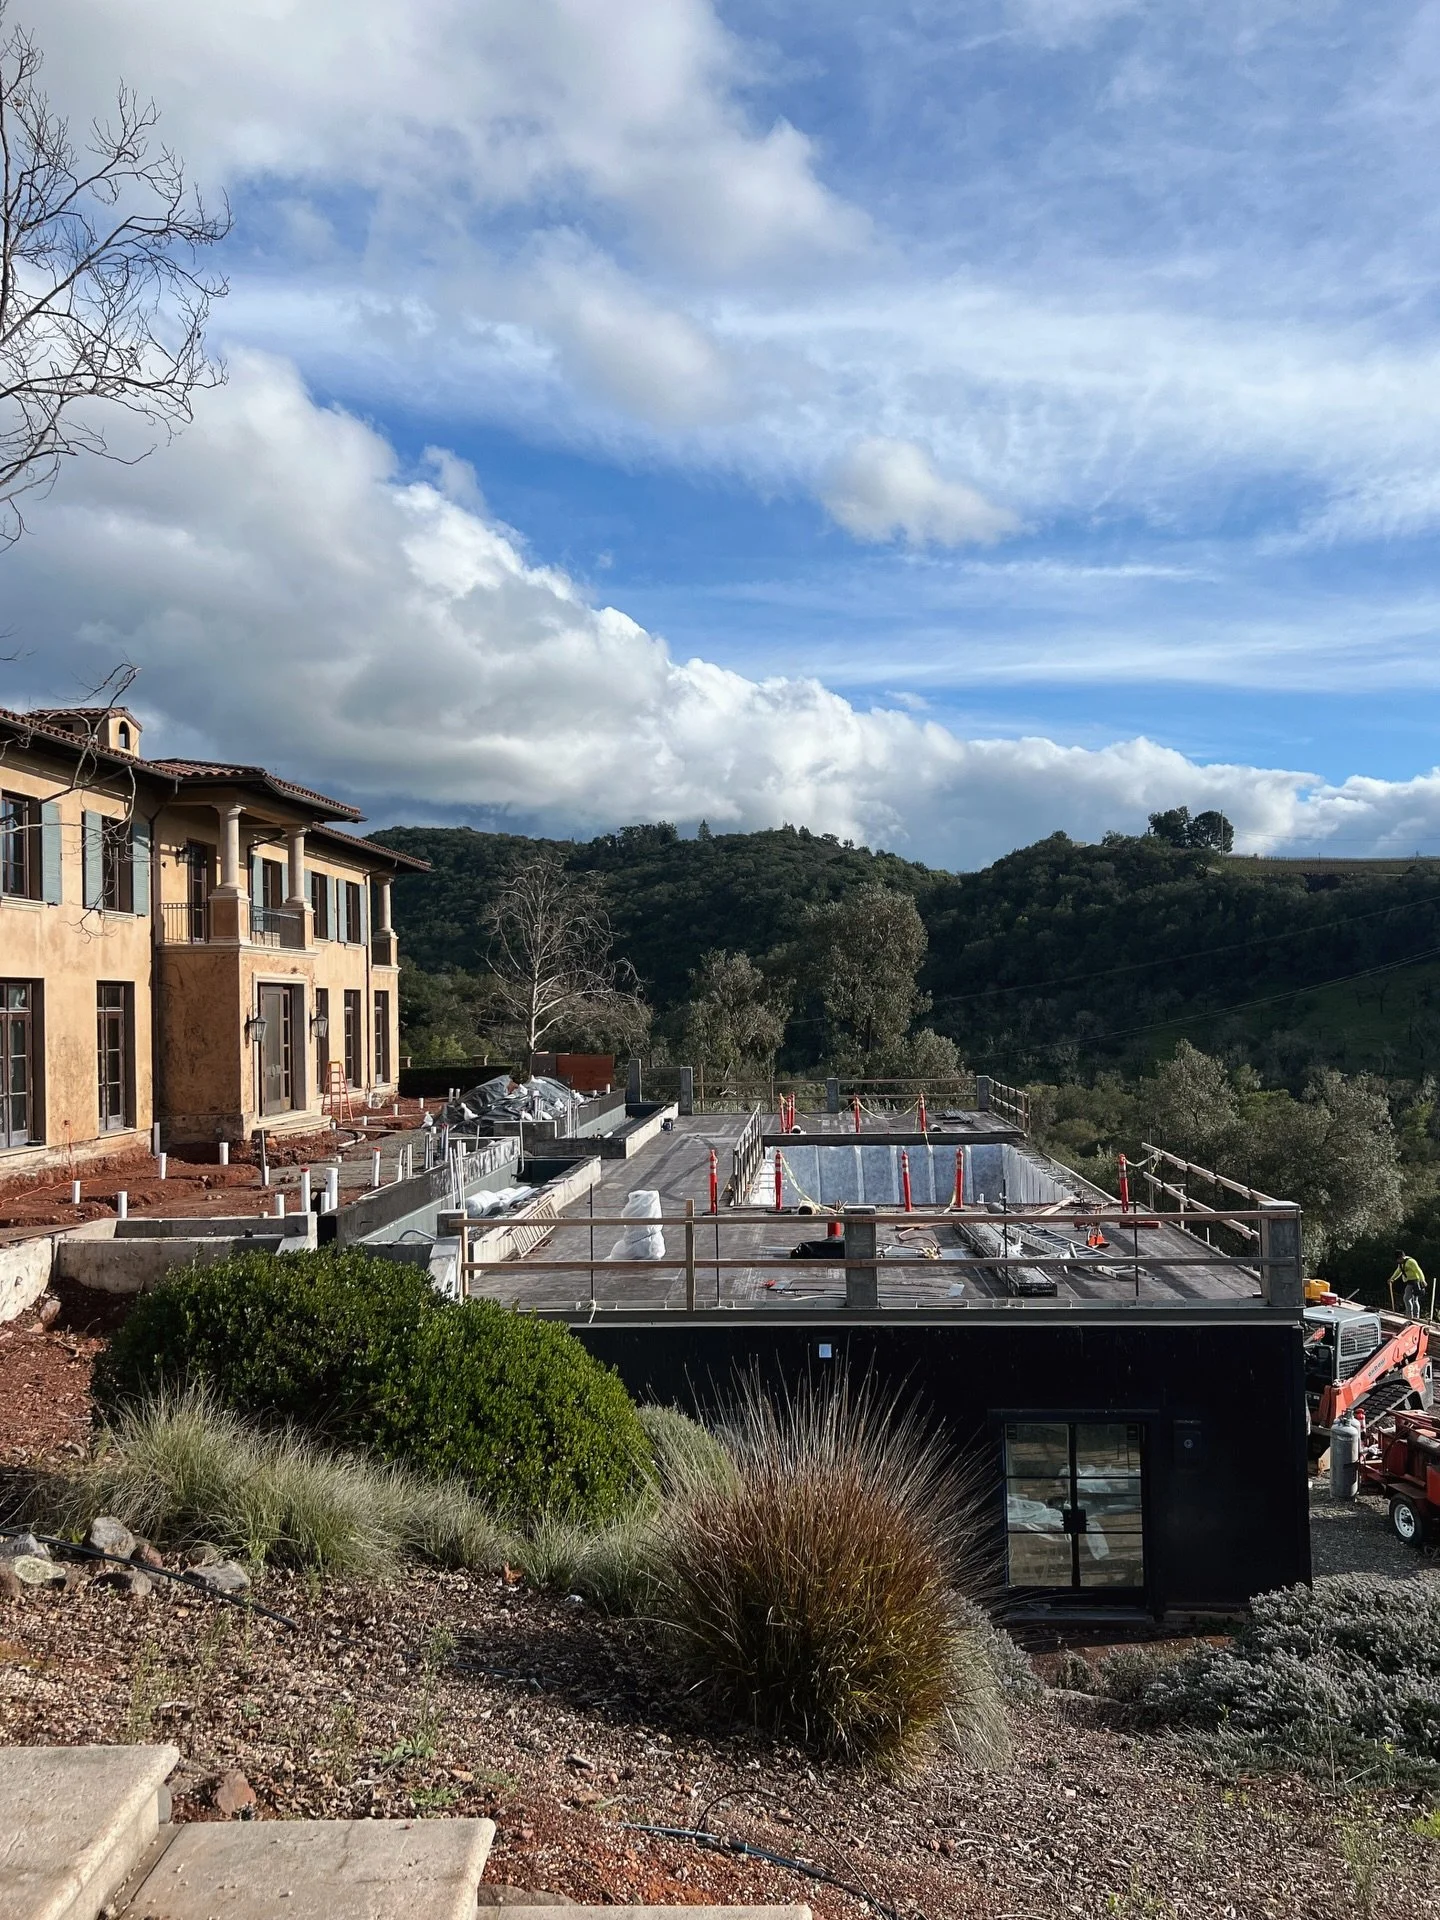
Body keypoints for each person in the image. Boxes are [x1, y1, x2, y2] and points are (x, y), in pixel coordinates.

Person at [1387, 1250, 1426, 1321]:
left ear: (1402, 1257)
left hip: (1416, 1281)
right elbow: (1398, 1271)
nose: (1399, 1260)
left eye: (1400, 1259)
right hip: (1409, 1282)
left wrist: (1422, 1280)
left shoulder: (1411, 1262)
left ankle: (1415, 1316)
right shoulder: (1401, 1263)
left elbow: (1418, 1270)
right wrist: (1392, 1279)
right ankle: (1409, 1315)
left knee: (1414, 1299)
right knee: (1407, 1298)